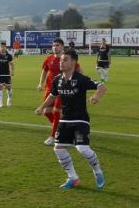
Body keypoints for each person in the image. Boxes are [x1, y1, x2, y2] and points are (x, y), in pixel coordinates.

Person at [35, 49, 107, 189]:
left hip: (80, 120)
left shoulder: (80, 79)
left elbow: (102, 87)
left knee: (82, 149)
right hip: (64, 120)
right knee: (58, 148)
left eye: (65, 60)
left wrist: (96, 97)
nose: (61, 62)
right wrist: (41, 107)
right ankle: (73, 178)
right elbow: (52, 95)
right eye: (61, 60)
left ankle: (97, 171)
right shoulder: (57, 80)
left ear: (74, 62)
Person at [37, 38, 80, 146]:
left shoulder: (66, 59)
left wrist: (78, 84)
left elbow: (78, 70)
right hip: (49, 89)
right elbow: (44, 71)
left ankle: (53, 136)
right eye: (53, 45)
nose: (55, 47)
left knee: (56, 112)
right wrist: (40, 83)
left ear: (62, 47)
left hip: (62, 90)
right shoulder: (49, 59)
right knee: (46, 111)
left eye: (57, 45)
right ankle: (63, 130)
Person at [0, 42, 14, 107]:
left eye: (4, 47)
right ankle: (0, 103)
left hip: (7, 74)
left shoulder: (9, 55)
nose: (2, 48)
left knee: (9, 88)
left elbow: (12, 64)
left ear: (5, 47)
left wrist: (12, 71)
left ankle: (9, 99)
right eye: (1, 47)